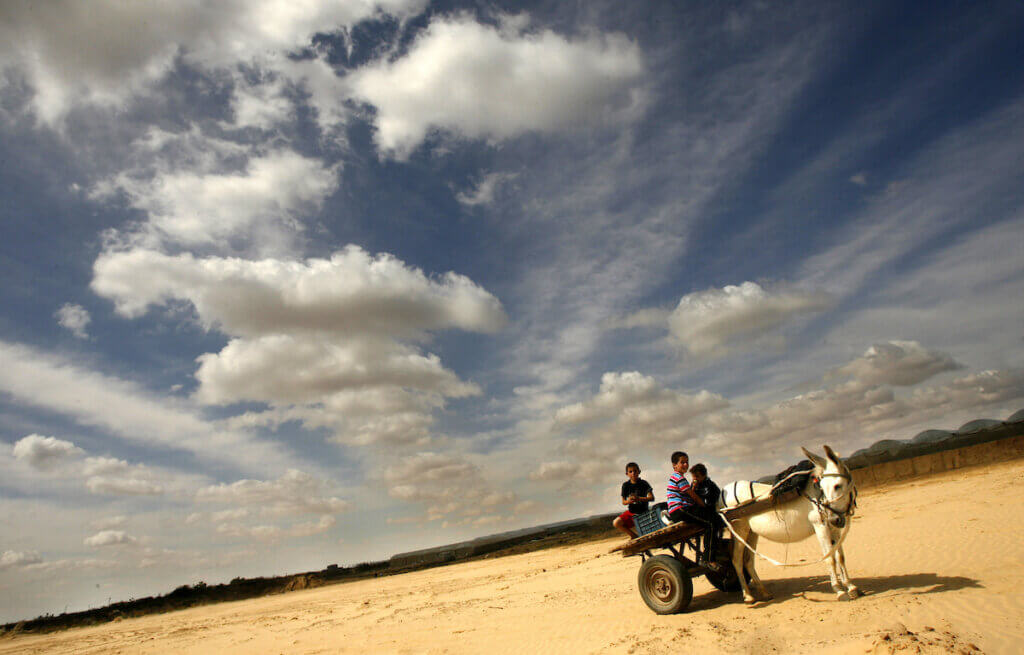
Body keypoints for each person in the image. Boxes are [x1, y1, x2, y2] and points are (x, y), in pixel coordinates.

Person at [666, 451, 719, 570]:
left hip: (681, 509)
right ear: (674, 465)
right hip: (680, 509)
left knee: (710, 519)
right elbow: (694, 497)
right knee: (711, 523)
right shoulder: (679, 478)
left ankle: (710, 553)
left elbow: (690, 494)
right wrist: (704, 507)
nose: (685, 465)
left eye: (686, 462)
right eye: (682, 462)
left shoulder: (679, 478)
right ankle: (708, 559)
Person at [690, 463, 722, 566]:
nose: (694, 479)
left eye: (697, 477)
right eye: (693, 477)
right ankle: (708, 558)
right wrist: (693, 490)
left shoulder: (711, 486)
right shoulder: (693, 486)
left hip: (708, 511)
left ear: (704, 475)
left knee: (714, 523)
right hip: (698, 513)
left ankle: (714, 552)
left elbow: (709, 503)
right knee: (711, 525)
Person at [612, 462, 654, 539]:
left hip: (643, 513)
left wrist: (639, 498)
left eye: (635, 471)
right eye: (630, 471)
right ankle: (633, 536)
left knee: (647, 534)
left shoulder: (644, 483)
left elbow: (651, 498)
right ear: (627, 474)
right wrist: (629, 501)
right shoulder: (626, 485)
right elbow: (623, 502)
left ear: (639, 472)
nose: (633, 473)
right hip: (631, 513)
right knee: (616, 523)